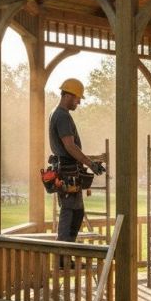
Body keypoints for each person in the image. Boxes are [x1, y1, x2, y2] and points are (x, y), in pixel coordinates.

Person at [49, 78, 103, 252]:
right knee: (69, 211)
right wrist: (90, 164)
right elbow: (70, 146)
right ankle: (63, 255)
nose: (79, 102)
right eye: (77, 98)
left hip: (66, 170)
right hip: (67, 172)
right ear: (68, 95)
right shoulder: (62, 116)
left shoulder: (56, 113)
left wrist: (89, 161)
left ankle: (67, 251)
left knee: (77, 212)